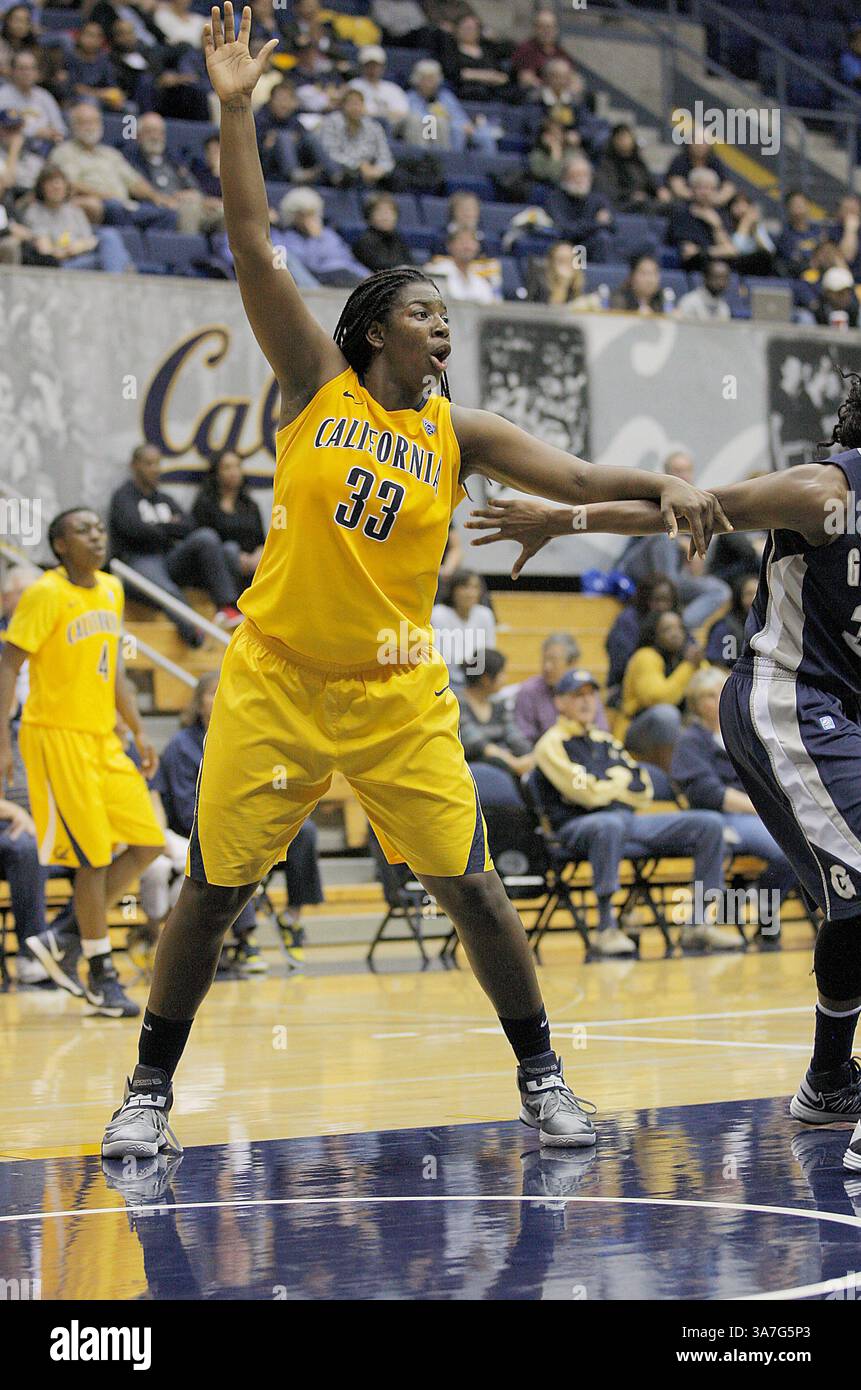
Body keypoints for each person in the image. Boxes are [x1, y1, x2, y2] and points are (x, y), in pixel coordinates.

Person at [99, 4, 725, 1163]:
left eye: (449, 315)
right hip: (276, 679)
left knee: (476, 889)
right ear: (377, 325)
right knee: (216, 892)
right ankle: (146, 1087)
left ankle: (542, 1078)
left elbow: (582, 472)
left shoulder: (461, 429)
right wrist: (235, 109)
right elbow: (248, 240)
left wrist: (671, 486)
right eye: (428, 311)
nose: (446, 329)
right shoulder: (313, 382)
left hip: (397, 691)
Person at [465, 377, 861, 1169]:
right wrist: (559, 517)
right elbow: (687, 508)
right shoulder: (826, 491)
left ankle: (826, 1080)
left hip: (840, 710)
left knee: (848, 902)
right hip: (789, 699)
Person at [0, 508, 165, 1018]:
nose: (96, 536)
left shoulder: (112, 590)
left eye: (99, 528)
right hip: (55, 739)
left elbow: (111, 666)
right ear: (59, 545)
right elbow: (8, 662)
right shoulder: (46, 593)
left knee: (147, 843)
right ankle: (101, 974)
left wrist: (137, 730)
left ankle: (64, 936)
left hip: (102, 738)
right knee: (92, 859)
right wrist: (1, 745)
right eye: (83, 531)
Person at [534, 669, 738, 955]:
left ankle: (698, 923)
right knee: (609, 824)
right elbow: (584, 792)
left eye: (591, 694)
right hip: (574, 826)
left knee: (709, 823)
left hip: (627, 820)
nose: (586, 701)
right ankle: (606, 928)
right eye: (576, 696)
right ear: (560, 703)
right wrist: (616, 782)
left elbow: (642, 787)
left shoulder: (605, 741)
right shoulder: (551, 744)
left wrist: (606, 784)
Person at [671, 667, 796, 935]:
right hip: (720, 819)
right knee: (789, 849)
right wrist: (764, 809)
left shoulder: (741, 734)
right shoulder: (690, 741)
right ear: (696, 703)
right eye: (707, 695)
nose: (716, 700)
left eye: (720, 693)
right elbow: (711, 794)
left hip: (755, 815)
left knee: (803, 844)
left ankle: (759, 898)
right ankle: (761, 901)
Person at [108, 442, 244, 643]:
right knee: (166, 589)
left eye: (157, 463)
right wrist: (169, 527)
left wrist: (156, 528)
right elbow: (133, 529)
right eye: (148, 463)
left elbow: (189, 526)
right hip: (137, 560)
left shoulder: (164, 498)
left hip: (168, 557)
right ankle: (195, 634)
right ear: (135, 465)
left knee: (206, 537)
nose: (155, 469)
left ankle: (226, 607)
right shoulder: (124, 497)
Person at [50, 102, 177, 232]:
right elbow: (70, 184)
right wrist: (104, 196)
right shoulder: (64, 152)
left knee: (167, 214)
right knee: (114, 208)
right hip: (102, 206)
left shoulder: (111, 153)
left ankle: (154, 251)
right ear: (73, 126)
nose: (90, 127)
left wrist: (157, 198)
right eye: (84, 123)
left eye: (94, 122)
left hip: (126, 206)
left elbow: (134, 182)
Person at [620, 608, 706, 769]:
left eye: (679, 628)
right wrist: (688, 666)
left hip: (676, 728)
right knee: (666, 715)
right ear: (654, 634)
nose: (675, 633)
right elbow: (658, 699)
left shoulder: (686, 657)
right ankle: (671, 777)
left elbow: (709, 688)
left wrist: (698, 665)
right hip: (638, 729)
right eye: (667, 629)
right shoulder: (645, 656)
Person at [22, 164, 133, 272]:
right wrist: (71, 250)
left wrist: (80, 246)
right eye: (50, 182)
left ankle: (117, 277)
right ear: (41, 188)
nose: (56, 186)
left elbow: (90, 240)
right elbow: (46, 252)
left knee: (109, 236)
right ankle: (119, 279)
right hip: (61, 265)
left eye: (59, 182)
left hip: (84, 257)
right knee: (118, 257)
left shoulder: (74, 211)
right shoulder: (35, 212)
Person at [458, 648, 533, 803]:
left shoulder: (499, 703)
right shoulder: (458, 701)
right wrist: (515, 763)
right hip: (472, 764)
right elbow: (477, 744)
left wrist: (530, 756)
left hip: (505, 761)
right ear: (486, 678)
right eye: (502, 674)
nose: (505, 678)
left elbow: (514, 735)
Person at [515, 631, 608, 745]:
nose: (547, 667)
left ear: (572, 663)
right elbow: (523, 738)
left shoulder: (587, 690)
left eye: (553, 661)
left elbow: (602, 732)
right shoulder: (529, 691)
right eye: (545, 660)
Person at [191, 448, 266, 587]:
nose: (234, 472)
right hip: (220, 567)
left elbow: (262, 539)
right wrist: (238, 558)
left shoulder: (250, 505)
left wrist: (256, 557)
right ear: (216, 473)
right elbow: (204, 542)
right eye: (227, 467)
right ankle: (229, 604)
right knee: (230, 550)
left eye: (237, 467)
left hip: (253, 564)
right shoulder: (205, 504)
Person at [605, 575, 683, 699]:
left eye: (667, 601)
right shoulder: (628, 621)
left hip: (668, 684)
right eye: (656, 600)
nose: (661, 607)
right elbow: (622, 667)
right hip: (625, 688)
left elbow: (689, 649)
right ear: (644, 600)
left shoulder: (674, 620)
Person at [272, 185, 366, 287]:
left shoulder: (329, 235)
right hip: (315, 284)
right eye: (303, 214)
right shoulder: (286, 237)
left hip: (343, 277)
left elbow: (348, 260)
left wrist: (368, 276)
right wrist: (315, 238)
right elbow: (312, 266)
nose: (308, 219)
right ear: (293, 216)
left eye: (311, 213)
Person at [316, 83, 394, 189]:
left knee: (396, 176)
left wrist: (378, 170)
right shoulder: (332, 121)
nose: (355, 108)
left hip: (369, 173)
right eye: (351, 103)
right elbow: (330, 153)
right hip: (342, 171)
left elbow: (385, 157)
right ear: (343, 106)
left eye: (359, 104)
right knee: (337, 171)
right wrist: (358, 165)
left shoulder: (374, 126)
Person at [431, 568, 496, 688]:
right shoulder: (438, 614)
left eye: (475, 588)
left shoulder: (485, 614)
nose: (470, 593)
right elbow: (438, 655)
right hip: (446, 681)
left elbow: (489, 652)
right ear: (453, 590)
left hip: (477, 681)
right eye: (465, 587)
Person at [545, 153, 613, 265]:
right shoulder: (555, 198)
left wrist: (584, 227)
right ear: (565, 177)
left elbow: (612, 225)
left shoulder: (598, 198)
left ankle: (604, 279)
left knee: (603, 239)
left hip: (593, 246)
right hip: (569, 250)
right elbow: (566, 231)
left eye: (585, 175)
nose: (581, 179)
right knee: (598, 240)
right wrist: (596, 223)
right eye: (576, 175)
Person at [596, 122, 669, 214]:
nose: (626, 141)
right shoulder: (607, 164)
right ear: (614, 140)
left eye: (628, 137)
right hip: (623, 204)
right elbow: (609, 191)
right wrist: (630, 195)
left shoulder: (638, 162)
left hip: (644, 201)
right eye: (622, 138)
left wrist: (659, 190)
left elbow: (651, 182)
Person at [0, 49, 66, 147]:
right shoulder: (3, 95)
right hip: (12, 150)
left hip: (45, 149)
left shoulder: (44, 96)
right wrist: (35, 132)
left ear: (37, 72)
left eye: (32, 68)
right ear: (12, 71)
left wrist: (54, 134)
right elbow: (5, 129)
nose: (27, 73)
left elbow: (60, 128)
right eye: (22, 68)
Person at [704, 571, 758, 669]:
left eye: (758, 593)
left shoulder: (770, 626)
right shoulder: (725, 628)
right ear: (739, 598)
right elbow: (718, 668)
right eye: (749, 594)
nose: (754, 598)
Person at [350, 45, 409, 130]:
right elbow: (353, 110)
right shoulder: (354, 85)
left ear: (383, 67)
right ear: (362, 66)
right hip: (362, 126)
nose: (372, 69)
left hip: (392, 126)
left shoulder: (393, 88)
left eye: (376, 65)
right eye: (369, 65)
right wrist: (384, 114)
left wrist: (378, 114)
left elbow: (402, 112)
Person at [352, 190, 412, 273]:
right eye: (380, 212)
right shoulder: (365, 241)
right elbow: (377, 267)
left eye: (390, 212)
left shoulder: (397, 238)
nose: (386, 217)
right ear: (369, 216)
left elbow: (409, 262)